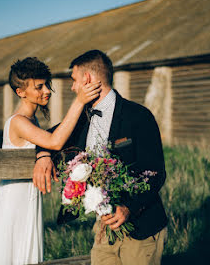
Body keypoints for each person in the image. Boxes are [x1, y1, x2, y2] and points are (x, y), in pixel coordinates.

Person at [34, 50, 168, 265]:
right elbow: (47, 138)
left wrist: (128, 208)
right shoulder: (81, 119)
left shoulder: (139, 116)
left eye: (74, 80)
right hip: (103, 228)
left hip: (142, 228)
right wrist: (42, 156)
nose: (72, 87)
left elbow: (156, 173)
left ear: (87, 79)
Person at [0, 57, 101, 265]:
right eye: (39, 87)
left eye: (46, 84)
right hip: (14, 199)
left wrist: (43, 155)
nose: (46, 91)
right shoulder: (18, 122)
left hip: (29, 195)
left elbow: (47, 143)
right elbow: (54, 141)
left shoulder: (32, 121)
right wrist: (79, 101)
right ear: (21, 92)